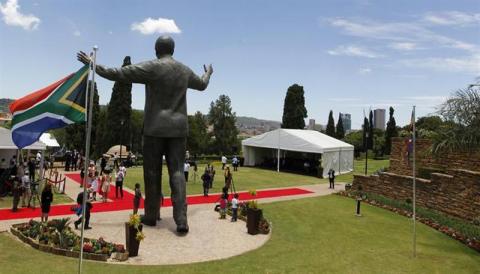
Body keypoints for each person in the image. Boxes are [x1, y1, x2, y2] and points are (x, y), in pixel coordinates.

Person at [77, 35, 213, 234]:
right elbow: (202, 84)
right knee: (177, 172)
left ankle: (151, 214)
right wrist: (208, 73)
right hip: (178, 128)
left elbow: (119, 73)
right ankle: (181, 220)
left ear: (156, 49)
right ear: (172, 50)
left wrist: (93, 65)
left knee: (152, 172)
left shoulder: (152, 67)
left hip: (154, 128)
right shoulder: (184, 70)